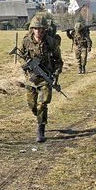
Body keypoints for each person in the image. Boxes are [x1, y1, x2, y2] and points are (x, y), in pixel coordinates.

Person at [20, 14, 64, 143]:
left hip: (46, 77)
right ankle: (38, 116)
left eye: (41, 29)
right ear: (32, 29)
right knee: (32, 105)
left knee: (42, 104)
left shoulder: (51, 42)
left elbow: (59, 61)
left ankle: (41, 131)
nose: (39, 32)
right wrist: (27, 65)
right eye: (36, 29)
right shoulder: (26, 41)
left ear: (44, 30)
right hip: (31, 78)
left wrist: (55, 75)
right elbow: (21, 57)